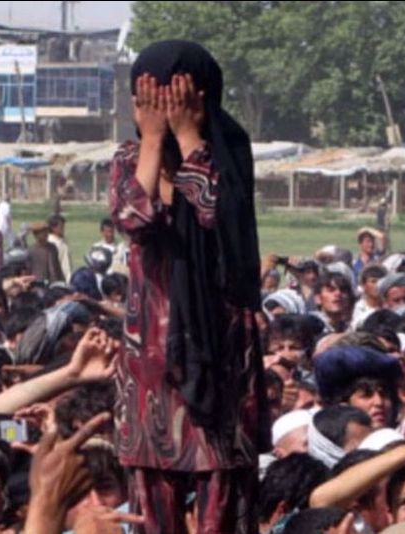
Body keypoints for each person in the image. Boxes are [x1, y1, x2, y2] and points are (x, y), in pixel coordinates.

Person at [109, 40, 268, 534]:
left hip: (219, 358)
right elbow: (133, 217)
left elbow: (214, 214)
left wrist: (188, 135)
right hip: (151, 362)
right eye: (149, 98)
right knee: (154, 506)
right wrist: (154, 141)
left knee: (223, 500)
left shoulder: (227, 155)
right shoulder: (129, 158)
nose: (162, 107)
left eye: (175, 96)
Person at [47, 214, 72, 280]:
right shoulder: (51, 242)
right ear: (53, 228)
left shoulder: (63, 240)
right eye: (61, 227)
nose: (63, 229)